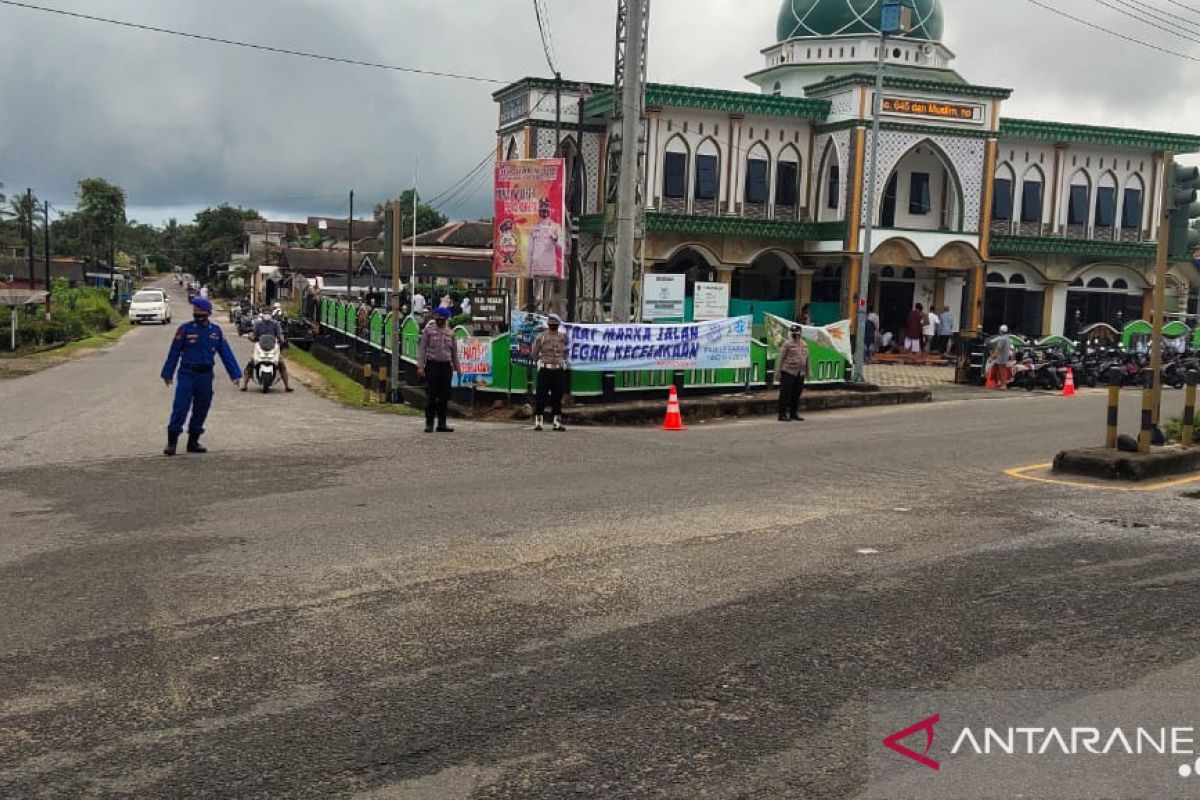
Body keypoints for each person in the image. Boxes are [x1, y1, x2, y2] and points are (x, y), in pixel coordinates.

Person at [160, 297, 241, 456]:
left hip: (205, 375)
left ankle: (193, 441)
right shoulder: (185, 329)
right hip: (187, 374)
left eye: (200, 311)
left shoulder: (215, 331)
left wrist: (235, 374)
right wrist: (168, 373)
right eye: (195, 311)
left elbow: (226, 354)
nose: (196, 313)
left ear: (208, 313)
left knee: (201, 408)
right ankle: (172, 441)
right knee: (180, 407)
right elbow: (174, 352)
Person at [418, 306, 460, 433]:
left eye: (443, 319)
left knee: (444, 396)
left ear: (446, 319)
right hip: (432, 366)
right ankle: (429, 424)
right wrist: (420, 366)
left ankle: (442, 424)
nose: (440, 321)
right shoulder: (428, 331)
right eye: (438, 318)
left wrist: (458, 369)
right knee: (431, 395)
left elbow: (454, 353)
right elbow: (422, 349)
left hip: (446, 367)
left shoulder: (451, 333)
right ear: (435, 318)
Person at [531, 313, 570, 431]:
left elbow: (566, 352)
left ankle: (556, 423)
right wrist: (541, 361)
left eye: (555, 324)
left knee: (557, 397)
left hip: (558, 370)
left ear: (558, 325)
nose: (553, 326)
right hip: (545, 370)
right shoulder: (541, 337)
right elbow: (534, 354)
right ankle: (538, 422)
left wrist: (563, 361)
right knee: (541, 396)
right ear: (548, 324)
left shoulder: (563, 337)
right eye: (551, 324)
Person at [241, 312, 293, 392]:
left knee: (281, 365)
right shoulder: (258, 324)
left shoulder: (276, 324)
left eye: (268, 313)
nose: (267, 315)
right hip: (260, 346)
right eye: (265, 313)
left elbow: (280, 334)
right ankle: (244, 385)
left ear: (271, 314)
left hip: (273, 347)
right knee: (250, 364)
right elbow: (254, 335)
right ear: (262, 315)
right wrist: (251, 337)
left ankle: (287, 386)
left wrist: (282, 340)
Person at [777, 324, 810, 422]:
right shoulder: (787, 344)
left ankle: (793, 413)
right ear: (791, 333)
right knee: (785, 394)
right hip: (788, 371)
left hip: (800, 373)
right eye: (794, 333)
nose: (796, 335)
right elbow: (781, 358)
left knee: (796, 393)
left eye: (797, 333)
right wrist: (778, 372)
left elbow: (807, 359)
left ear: (800, 333)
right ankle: (782, 414)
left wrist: (808, 372)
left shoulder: (804, 344)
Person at [527, 197, 561, 277]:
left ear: (549, 209)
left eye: (546, 207)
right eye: (542, 207)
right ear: (538, 210)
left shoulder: (555, 226)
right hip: (536, 270)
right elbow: (529, 251)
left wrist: (555, 239)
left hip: (550, 270)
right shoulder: (534, 228)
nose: (544, 210)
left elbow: (562, 246)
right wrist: (529, 271)